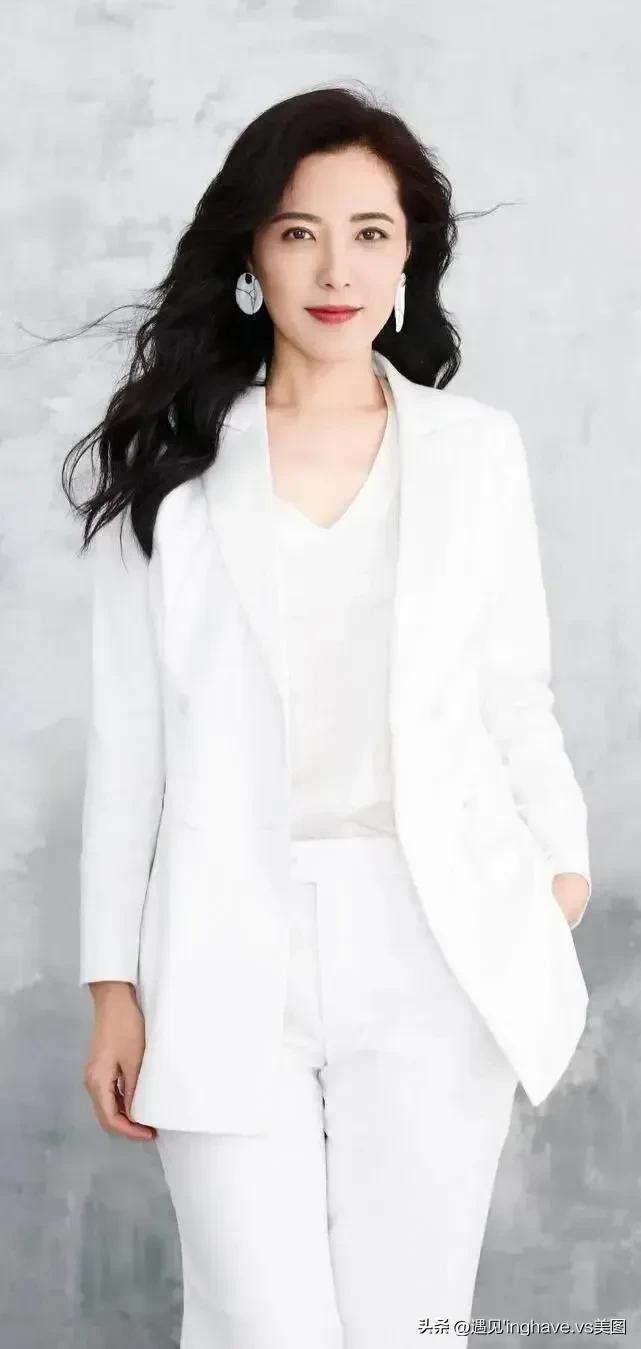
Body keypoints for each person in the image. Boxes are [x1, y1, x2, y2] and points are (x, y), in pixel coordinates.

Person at [67, 86, 592, 1348]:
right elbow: (127, 742)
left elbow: (512, 689)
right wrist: (111, 984)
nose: (335, 269)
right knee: (262, 1323)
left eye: (369, 232)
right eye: (299, 233)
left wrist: (558, 872)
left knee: (409, 1323)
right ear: (251, 255)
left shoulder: (472, 450)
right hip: (217, 933)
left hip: (430, 930)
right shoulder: (172, 465)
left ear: (409, 255)